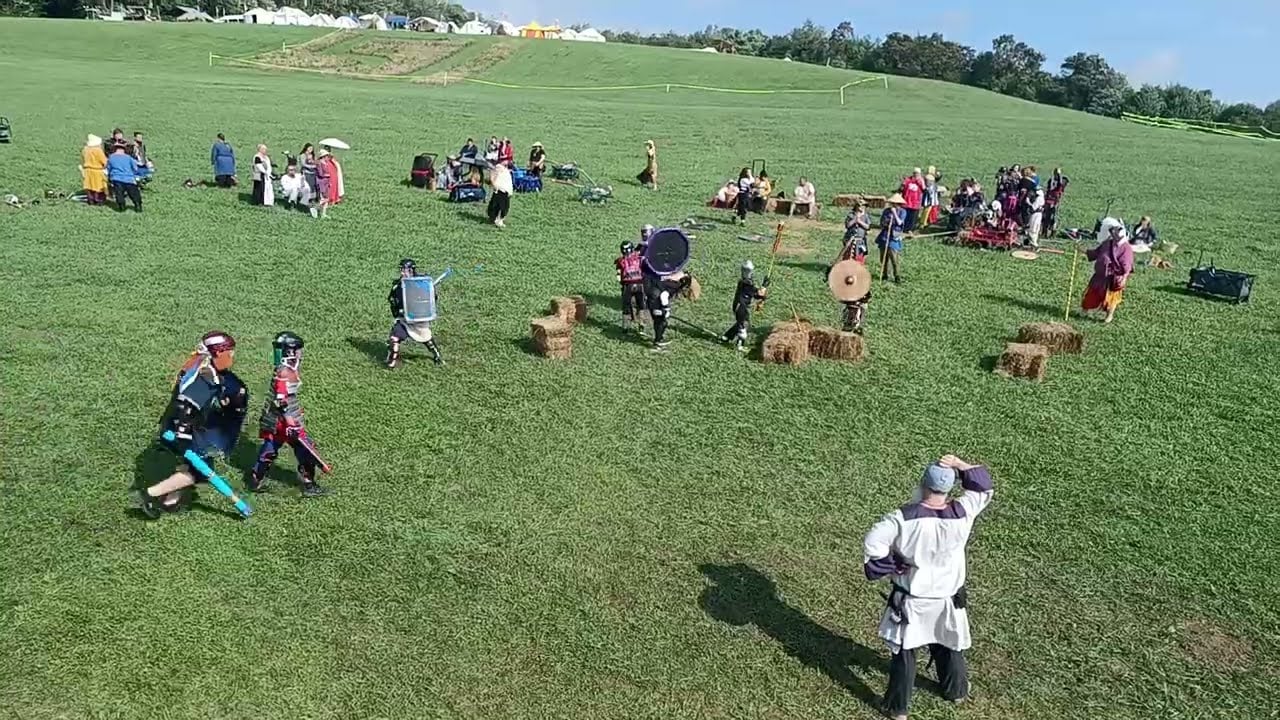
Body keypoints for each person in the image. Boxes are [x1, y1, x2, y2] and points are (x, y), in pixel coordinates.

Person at [863, 454, 994, 720]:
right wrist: (960, 465)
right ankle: (956, 691)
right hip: (947, 599)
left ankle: (897, 709)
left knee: (905, 653)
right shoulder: (963, 511)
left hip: (913, 601)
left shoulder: (901, 518)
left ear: (923, 484)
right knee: (949, 645)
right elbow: (983, 485)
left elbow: (873, 544)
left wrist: (894, 564)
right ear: (949, 488)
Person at [136, 332, 249, 518]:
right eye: (230, 352)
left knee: (193, 463)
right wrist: (183, 434)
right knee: (199, 470)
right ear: (217, 354)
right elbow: (186, 406)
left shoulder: (200, 367)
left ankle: (170, 500)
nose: (232, 357)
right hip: (179, 430)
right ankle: (150, 495)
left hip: (177, 427)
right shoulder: (204, 379)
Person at [247, 332, 328, 497]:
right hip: (284, 421)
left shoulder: (285, 369)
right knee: (305, 449)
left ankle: (256, 479)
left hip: (278, 419)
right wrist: (290, 423)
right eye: (298, 350)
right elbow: (281, 401)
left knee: (270, 450)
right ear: (290, 352)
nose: (300, 353)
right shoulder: (284, 372)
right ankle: (309, 485)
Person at [386, 258, 444, 368]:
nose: (402, 272)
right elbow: (393, 299)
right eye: (401, 270)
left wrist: (427, 294)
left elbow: (430, 299)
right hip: (404, 319)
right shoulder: (398, 285)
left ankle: (437, 355)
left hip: (417, 318)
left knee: (426, 338)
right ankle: (392, 362)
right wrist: (396, 307)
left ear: (411, 270)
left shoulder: (420, 283)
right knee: (394, 338)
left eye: (405, 270)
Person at [1082, 219, 1135, 323]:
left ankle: (1109, 316)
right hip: (1099, 276)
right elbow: (1097, 252)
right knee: (1092, 294)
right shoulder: (1107, 243)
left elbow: (1126, 266)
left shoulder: (1126, 248)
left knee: (1110, 299)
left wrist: (1123, 277)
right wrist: (1084, 251)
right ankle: (1085, 310)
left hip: (1112, 278)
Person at [721, 261, 767, 352]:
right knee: (743, 325)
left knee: (741, 322)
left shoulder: (745, 282)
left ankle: (726, 337)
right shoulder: (746, 284)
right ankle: (740, 345)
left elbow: (756, 294)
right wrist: (764, 286)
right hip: (740, 307)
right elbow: (758, 294)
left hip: (740, 306)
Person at [643, 263, 691, 352]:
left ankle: (658, 340)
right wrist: (665, 309)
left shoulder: (662, 277)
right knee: (662, 322)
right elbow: (664, 295)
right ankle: (658, 341)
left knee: (658, 322)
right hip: (657, 303)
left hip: (652, 301)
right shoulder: (674, 285)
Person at [615, 234, 648, 332]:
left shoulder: (620, 261)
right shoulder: (639, 258)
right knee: (641, 305)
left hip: (627, 286)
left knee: (626, 306)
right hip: (639, 285)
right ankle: (641, 325)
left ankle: (625, 327)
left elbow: (618, 275)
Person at [876, 193, 907, 283]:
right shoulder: (886, 211)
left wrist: (894, 213)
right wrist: (886, 222)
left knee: (894, 258)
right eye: (892, 203)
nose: (894, 205)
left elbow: (899, 222)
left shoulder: (902, 212)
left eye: (896, 203)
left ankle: (897, 276)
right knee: (883, 258)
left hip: (894, 236)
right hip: (885, 235)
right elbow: (882, 223)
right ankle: (885, 274)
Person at [106, 142, 143, 212]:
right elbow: (135, 168)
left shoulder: (111, 157)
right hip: (129, 178)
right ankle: (138, 205)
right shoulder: (128, 157)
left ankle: (121, 207)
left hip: (117, 178)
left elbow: (108, 168)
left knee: (119, 193)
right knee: (134, 193)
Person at [80, 134, 108, 205]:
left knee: (89, 186)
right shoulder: (98, 151)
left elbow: (83, 160)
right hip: (97, 170)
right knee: (98, 186)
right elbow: (104, 161)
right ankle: (99, 200)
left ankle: (91, 200)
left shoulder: (85, 150)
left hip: (87, 170)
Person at [1043, 168, 1069, 236]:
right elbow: (1048, 189)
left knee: (1054, 217)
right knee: (1046, 216)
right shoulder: (1051, 181)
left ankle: (1052, 232)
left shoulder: (1061, 183)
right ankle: (1044, 231)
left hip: (1055, 200)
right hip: (1049, 199)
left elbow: (1060, 186)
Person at [488, 160, 512, 227]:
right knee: (500, 206)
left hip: (504, 190)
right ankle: (497, 219)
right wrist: (494, 184)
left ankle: (496, 218)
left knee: (502, 205)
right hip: (500, 189)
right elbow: (493, 179)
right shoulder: (498, 168)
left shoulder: (504, 169)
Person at [900, 169, 925, 233]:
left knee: (913, 218)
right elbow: (902, 188)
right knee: (905, 216)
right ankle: (903, 228)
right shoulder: (908, 180)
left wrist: (920, 181)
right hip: (906, 202)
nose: (916, 175)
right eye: (915, 173)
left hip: (915, 203)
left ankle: (910, 229)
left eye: (917, 173)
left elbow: (924, 189)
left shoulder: (921, 181)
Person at [314, 148, 335, 218]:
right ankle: (316, 208)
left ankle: (323, 213)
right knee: (323, 198)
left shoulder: (325, 163)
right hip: (321, 183)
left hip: (326, 182)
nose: (327, 158)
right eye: (326, 156)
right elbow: (320, 174)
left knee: (326, 199)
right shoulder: (319, 164)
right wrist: (327, 175)